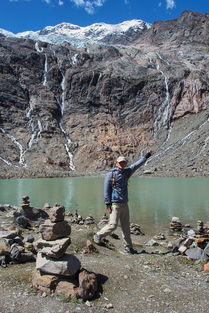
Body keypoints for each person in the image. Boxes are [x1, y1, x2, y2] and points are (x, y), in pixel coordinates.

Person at [93, 151, 152, 254]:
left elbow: (137, 165)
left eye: (124, 162)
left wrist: (146, 156)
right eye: (120, 162)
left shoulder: (127, 172)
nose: (122, 164)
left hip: (125, 204)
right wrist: (108, 204)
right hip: (115, 204)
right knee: (113, 225)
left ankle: (128, 247)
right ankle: (98, 235)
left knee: (126, 227)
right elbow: (106, 189)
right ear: (116, 163)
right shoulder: (111, 174)